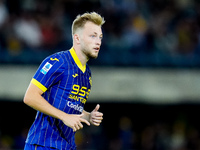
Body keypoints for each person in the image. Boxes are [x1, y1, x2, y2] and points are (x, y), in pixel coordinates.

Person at [23, 12, 105, 150]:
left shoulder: (87, 74)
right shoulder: (57, 62)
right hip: (43, 144)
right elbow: (30, 97)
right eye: (93, 36)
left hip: (67, 146)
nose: (98, 41)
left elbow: (70, 106)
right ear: (77, 38)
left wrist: (87, 116)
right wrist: (64, 117)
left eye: (100, 37)